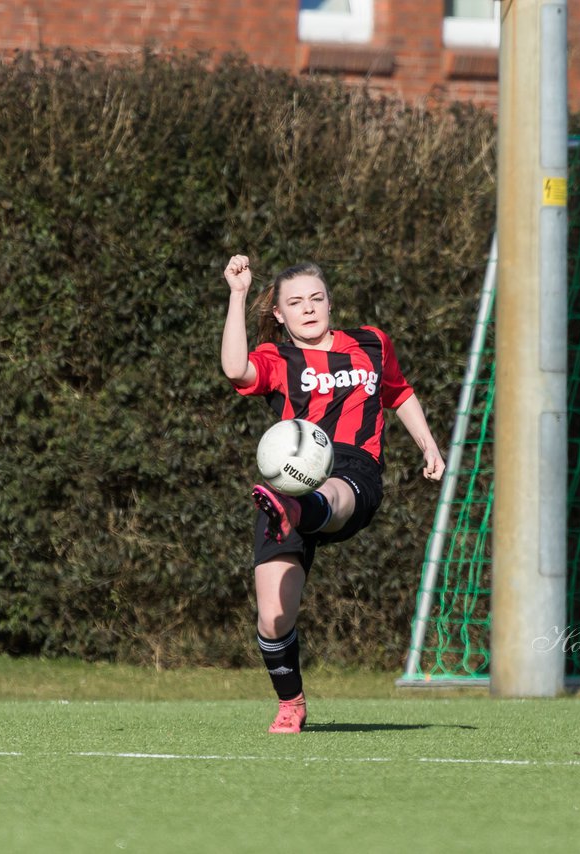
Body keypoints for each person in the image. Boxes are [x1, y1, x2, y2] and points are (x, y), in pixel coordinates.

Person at [221, 254, 445, 733]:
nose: (309, 309)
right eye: (296, 303)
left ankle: (301, 509)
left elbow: (399, 392)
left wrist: (428, 445)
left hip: (351, 467)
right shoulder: (278, 357)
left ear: (330, 302)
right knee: (273, 618)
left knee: (336, 491)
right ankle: (292, 702)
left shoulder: (370, 343)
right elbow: (236, 369)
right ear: (279, 314)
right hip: (284, 480)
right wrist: (238, 294)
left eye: (317, 299)